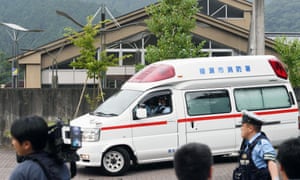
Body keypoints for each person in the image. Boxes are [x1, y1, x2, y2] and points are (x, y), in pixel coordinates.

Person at [9, 115, 70, 180]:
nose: (12, 143)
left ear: (26, 145)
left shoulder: (21, 172)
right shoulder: (61, 165)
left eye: (13, 139)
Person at [233, 110, 279, 180]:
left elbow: (271, 161)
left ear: (250, 129)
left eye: (242, 126)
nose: (241, 128)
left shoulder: (262, 143)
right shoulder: (247, 143)